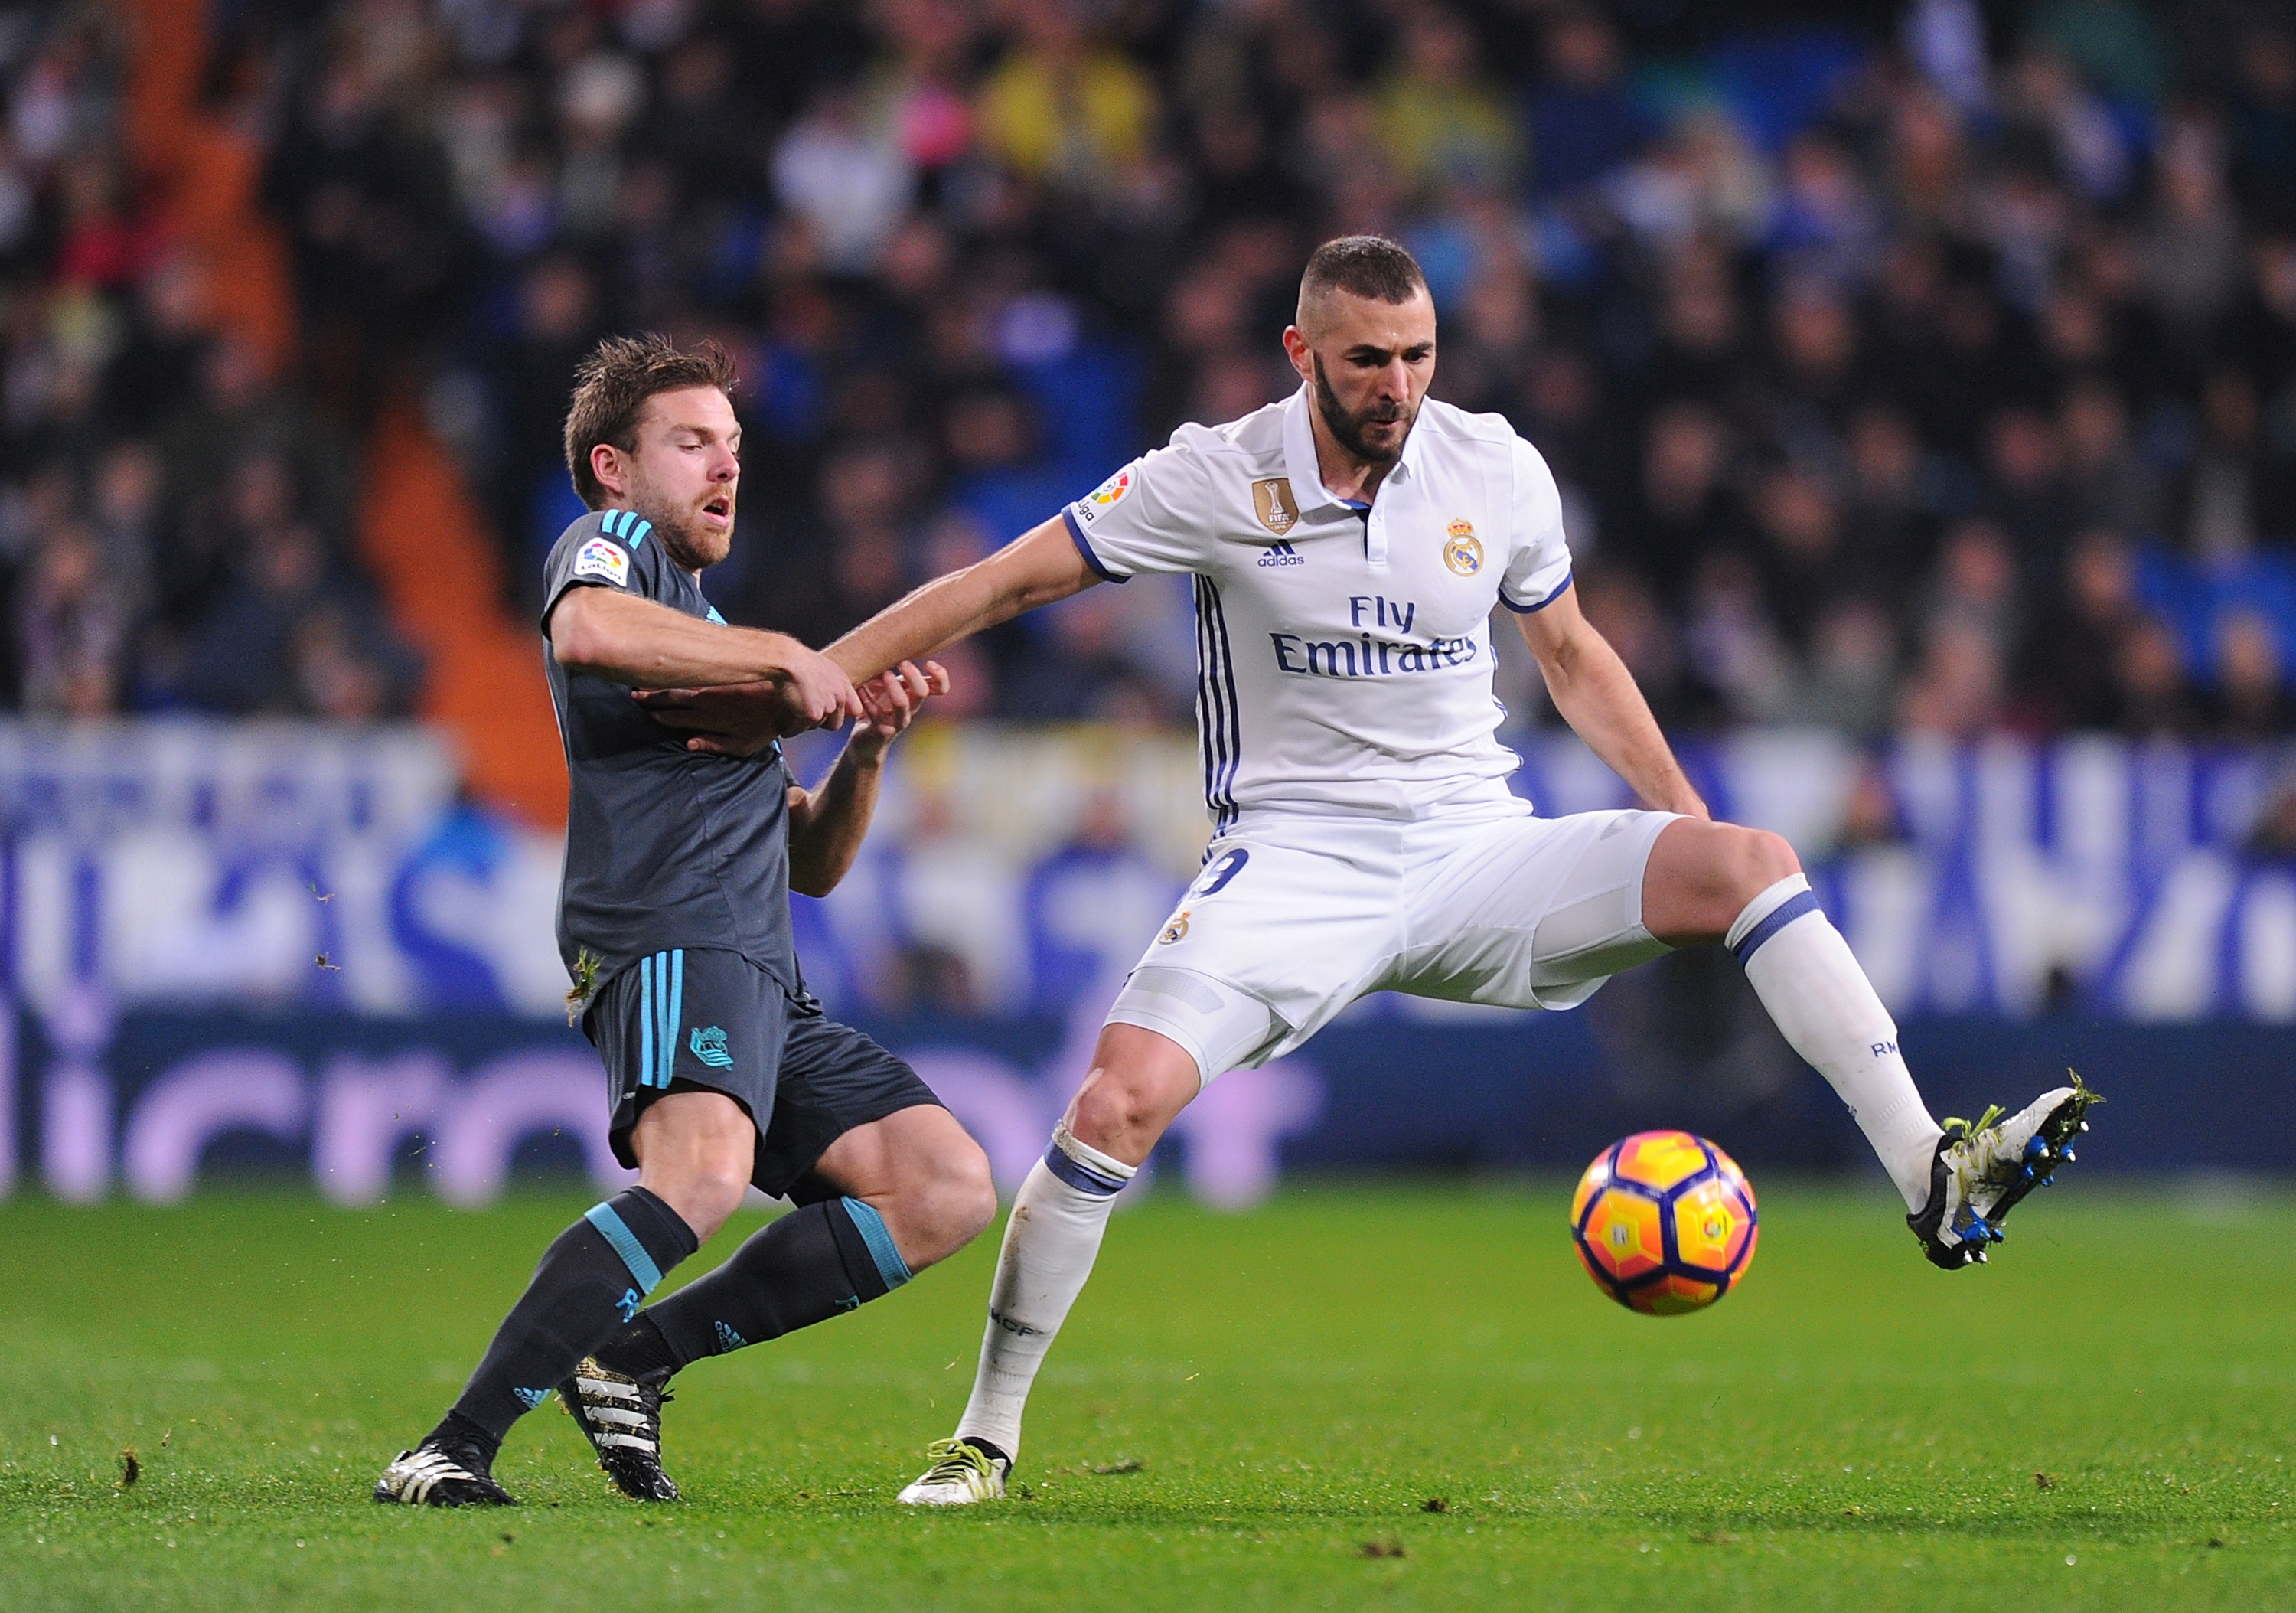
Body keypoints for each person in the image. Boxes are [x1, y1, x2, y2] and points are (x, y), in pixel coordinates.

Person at [638, 239, 2100, 1509]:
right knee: (1111, 1104)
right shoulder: (1215, 474)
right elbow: (1006, 582)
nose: (1395, 385)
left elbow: (1575, 657)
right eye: (1364, 359)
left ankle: (1934, 1173)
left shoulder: (1496, 466)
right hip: (1295, 866)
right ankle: (984, 1440)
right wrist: (812, 675)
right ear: (1301, 352)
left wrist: (1685, 834)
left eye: (1415, 356)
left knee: (1753, 861)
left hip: (1476, 851)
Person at [375, 334, 996, 1507]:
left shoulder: (702, 631)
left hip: (764, 968)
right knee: (702, 1174)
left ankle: (634, 1358)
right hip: (668, 932)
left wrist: (863, 752)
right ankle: (449, 1446)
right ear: (615, 466)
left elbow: (811, 866)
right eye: (693, 442)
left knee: (943, 1185)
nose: (725, 467)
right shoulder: (614, 557)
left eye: (735, 445)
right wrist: (782, 656)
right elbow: (581, 632)